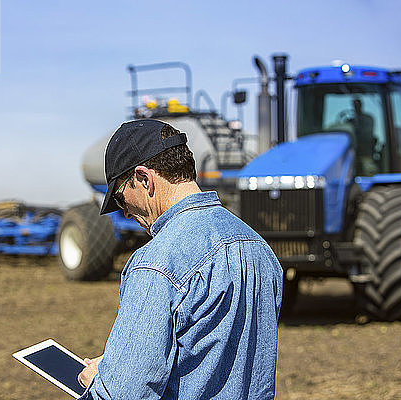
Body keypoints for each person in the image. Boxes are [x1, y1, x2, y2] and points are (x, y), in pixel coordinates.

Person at [77, 119, 283, 399]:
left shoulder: (156, 264)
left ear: (144, 179)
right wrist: (121, 365)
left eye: (120, 198)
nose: (124, 212)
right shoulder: (258, 248)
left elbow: (123, 394)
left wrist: (99, 383)